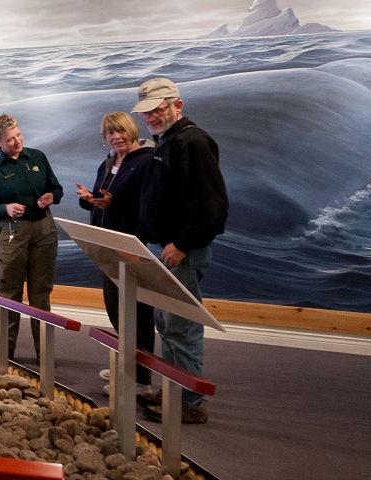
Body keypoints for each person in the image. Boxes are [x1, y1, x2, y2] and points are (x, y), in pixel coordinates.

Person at [131, 77, 228, 424]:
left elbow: (213, 208)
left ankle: (189, 401)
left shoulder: (193, 143)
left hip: (181, 251)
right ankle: (175, 387)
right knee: (167, 323)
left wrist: (183, 244)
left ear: (178, 105)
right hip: (168, 248)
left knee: (181, 325)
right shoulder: (168, 141)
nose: (152, 117)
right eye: (147, 113)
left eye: (158, 110)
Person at [75, 112, 157, 393]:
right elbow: (103, 200)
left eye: (119, 131)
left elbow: (147, 207)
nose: (115, 137)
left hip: (132, 248)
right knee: (116, 310)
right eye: (110, 133)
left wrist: (113, 206)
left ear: (131, 130)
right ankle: (127, 364)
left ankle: (141, 380)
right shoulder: (108, 163)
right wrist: (90, 200)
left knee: (137, 313)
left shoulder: (146, 161)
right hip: (106, 248)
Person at [0, 114, 62, 361]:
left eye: (18, 135)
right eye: (10, 139)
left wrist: (51, 197)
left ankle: (45, 355)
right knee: (9, 294)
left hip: (44, 229)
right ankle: (6, 353)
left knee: (41, 294)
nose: (17, 141)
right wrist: (5, 209)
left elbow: (57, 189)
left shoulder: (37, 157)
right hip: (11, 233)